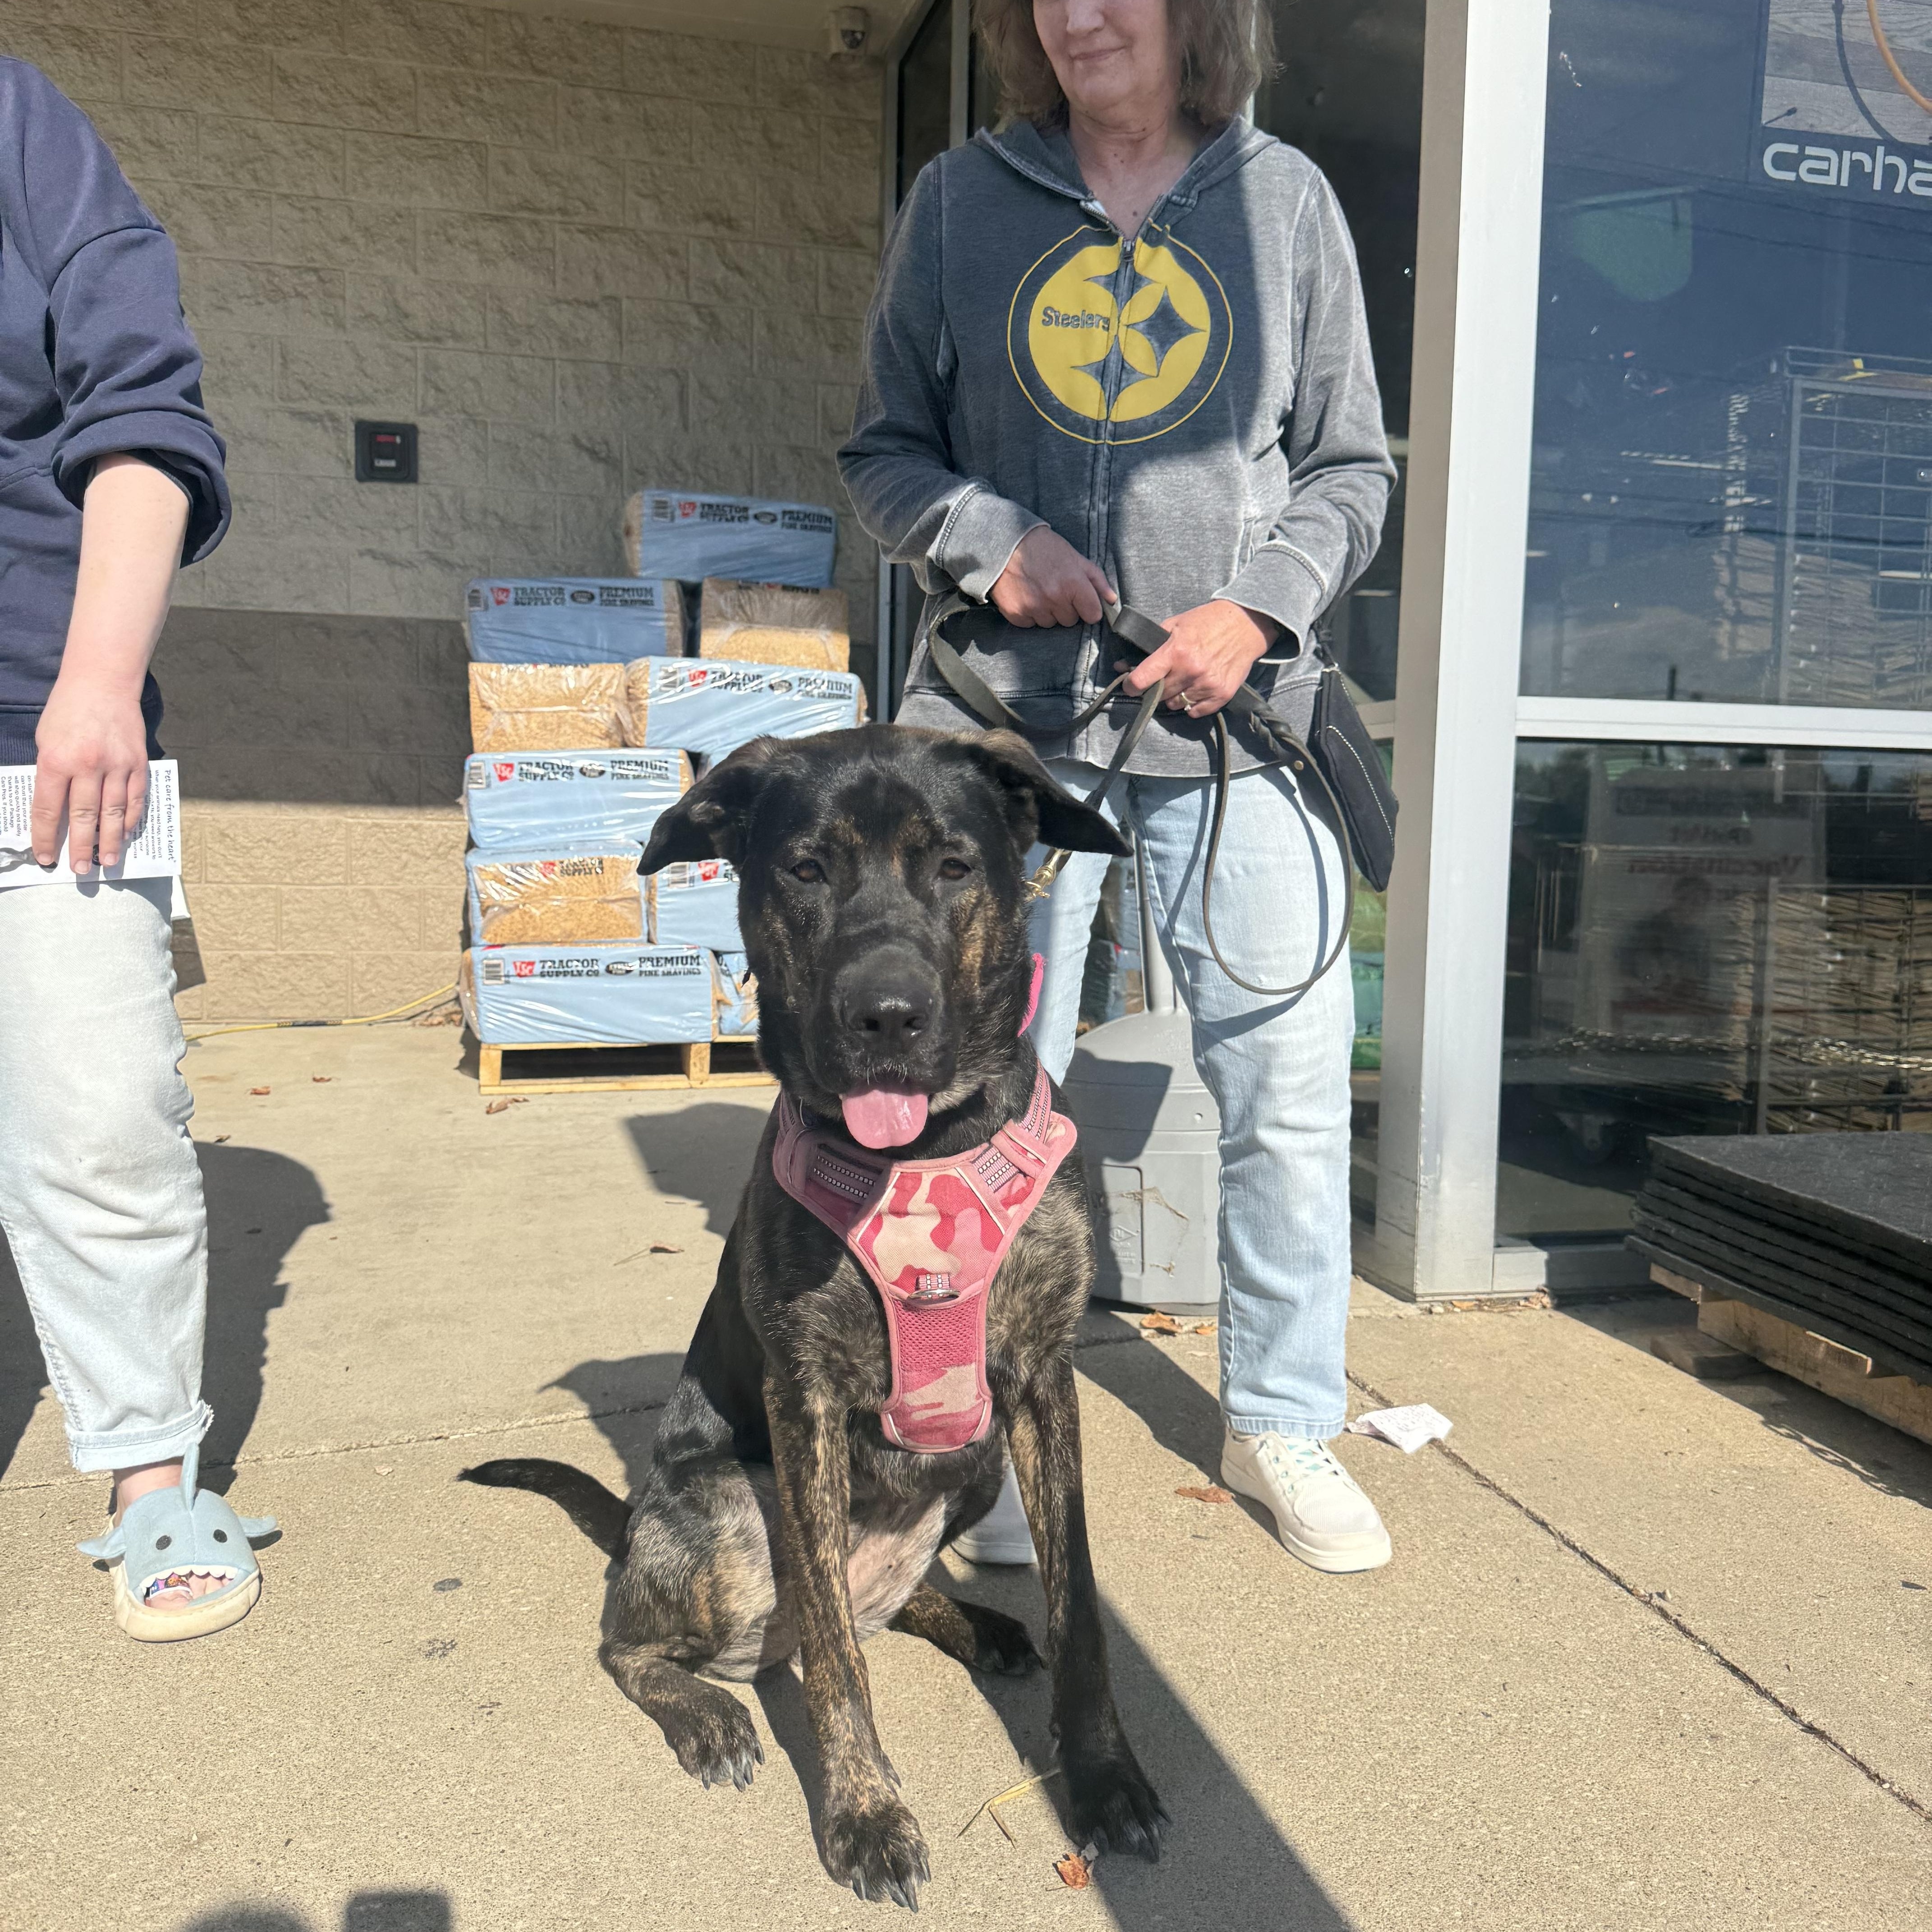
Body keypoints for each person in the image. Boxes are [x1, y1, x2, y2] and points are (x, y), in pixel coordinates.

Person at [840, 0, 1396, 1572]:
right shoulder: (959, 200)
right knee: (958, 1100)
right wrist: (986, 538)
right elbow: (883, 452)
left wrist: (1257, 606)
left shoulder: (1282, 202)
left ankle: (1284, 1412)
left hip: (1235, 730)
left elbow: (1352, 467)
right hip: (1001, 743)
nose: (1081, 13)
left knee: (1285, 1091)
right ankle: (962, 1432)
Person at [0, 59, 272, 1638]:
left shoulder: (23, 131)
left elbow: (145, 417)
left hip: (41, 735)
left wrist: (95, 682)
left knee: (96, 1122)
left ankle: (150, 1475)